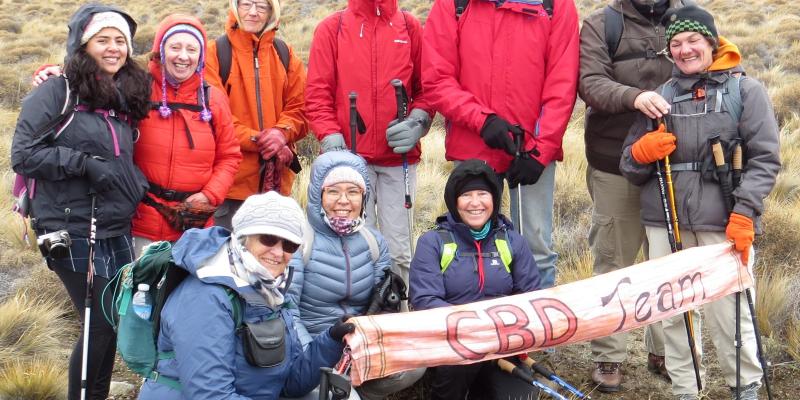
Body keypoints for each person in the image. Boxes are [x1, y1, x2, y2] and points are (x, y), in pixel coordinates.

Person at [620, 5, 779, 399]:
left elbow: (765, 159)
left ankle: (745, 387)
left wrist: (744, 214)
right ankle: (686, 390)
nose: (685, 49)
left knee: (731, 313)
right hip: (665, 223)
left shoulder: (745, 91)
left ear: (710, 41)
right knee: (673, 313)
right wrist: (641, 153)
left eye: (693, 40)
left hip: (723, 224)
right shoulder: (660, 98)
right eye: (676, 43)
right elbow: (628, 163)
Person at [10, 4, 150, 399]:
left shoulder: (121, 94)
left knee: (109, 320)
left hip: (112, 226)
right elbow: (23, 154)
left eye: (120, 41)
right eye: (102, 40)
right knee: (99, 323)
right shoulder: (58, 90)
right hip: (69, 226)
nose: (113, 48)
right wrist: (82, 164)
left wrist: (133, 181)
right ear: (82, 45)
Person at [31, 15, 244, 257]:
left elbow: (229, 156)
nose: (183, 56)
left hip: (194, 224)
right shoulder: (135, 87)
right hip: (139, 220)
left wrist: (209, 195)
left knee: (185, 293)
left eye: (192, 49)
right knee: (136, 291)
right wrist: (54, 74)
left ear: (201, 55)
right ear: (160, 51)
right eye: (174, 47)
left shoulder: (213, 99)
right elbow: (91, 79)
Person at [422, 0, 579, 290]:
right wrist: (483, 120)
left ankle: (539, 331)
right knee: (469, 248)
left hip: (530, 150)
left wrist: (540, 150)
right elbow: (436, 79)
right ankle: (478, 327)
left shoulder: (555, 5)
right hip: (474, 145)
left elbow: (563, 81)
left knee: (536, 251)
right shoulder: (454, 4)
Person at [138, 192, 354, 399]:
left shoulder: (271, 292)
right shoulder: (205, 296)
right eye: (268, 239)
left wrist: (331, 340)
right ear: (242, 238)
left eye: (289, 244)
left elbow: (288, 383)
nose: (278, 252)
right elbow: (210, 395)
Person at [579, 0, 693, 390]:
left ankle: (664, 350)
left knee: (668, 262)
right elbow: (590, 83)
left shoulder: (688, 16)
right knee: (615, 260)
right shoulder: (602, 24)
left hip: (677, 162)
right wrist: (634, 97)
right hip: (614, 161)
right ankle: (608, 355)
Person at [305, 0, 434, 290]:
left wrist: (417, 122)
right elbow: (317, 93)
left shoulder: (410, 26)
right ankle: (358, 319)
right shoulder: (332, 28)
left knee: (399, 249)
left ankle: (398, 315)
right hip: (349, 164)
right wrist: (329, 135)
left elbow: (426, 89)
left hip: (397, 160)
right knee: (353, 247)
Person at [286, 150, 424, 400]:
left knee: (414, 366)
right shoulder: (299, 242)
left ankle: (352, 389)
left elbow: (379, 304)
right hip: (311, 349)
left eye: (353, 192)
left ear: (364, 197)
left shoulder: (373, 242)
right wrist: (313, 355)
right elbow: (288, 311)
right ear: (318, 196)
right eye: (333, 191)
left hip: (357, 346)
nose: (343, 200)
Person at [410, 159, 541, 400]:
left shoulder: (512, 241)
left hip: (503, 342)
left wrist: (500, 331)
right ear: (454, 201)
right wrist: (474, 327)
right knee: (456, 378)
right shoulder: (433, 242)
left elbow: (531, 295)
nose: (475, 203)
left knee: (519, 396)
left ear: (494, 199)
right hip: (453, 343)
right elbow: (425, 300)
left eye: (483, 194)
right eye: (466, 195)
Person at [205, 0, 308, 229]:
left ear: (272, 11)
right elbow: (213, 114)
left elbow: (301, 107)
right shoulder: (214, 53)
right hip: (228, 188)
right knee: (223, 260)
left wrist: (282, 133)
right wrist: (261, 140)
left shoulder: (285, 54)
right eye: (246, 4)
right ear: (235, 6)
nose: (253, 12)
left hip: (276, 188)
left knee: (272, 259)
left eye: (262, 6)